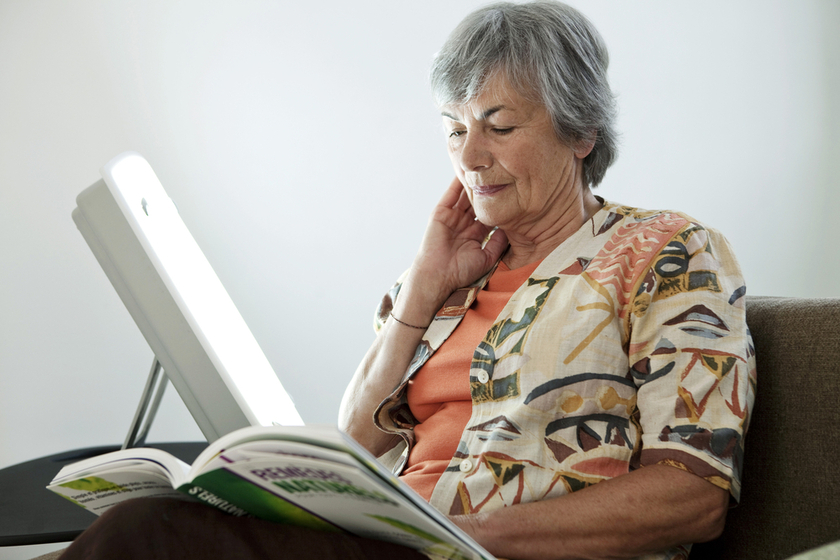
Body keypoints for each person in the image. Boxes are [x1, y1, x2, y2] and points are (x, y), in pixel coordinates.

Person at [54, 2, 754, 560]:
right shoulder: (448, 280)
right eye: (453, 131)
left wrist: (458, 535)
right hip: (389, 542)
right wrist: (419, 296)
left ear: (581, 132)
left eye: (498, 126)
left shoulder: (664, 252)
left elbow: (692, 496)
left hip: (468, 549)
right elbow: (357, 443)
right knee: (150, 519)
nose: (470, 158)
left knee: (145, 536)